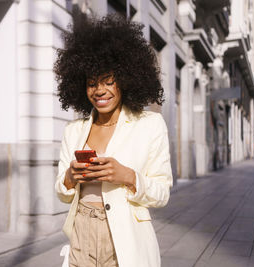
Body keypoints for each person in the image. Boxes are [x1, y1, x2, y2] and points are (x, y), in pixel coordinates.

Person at [54, 13, 173, 267]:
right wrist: (70, 177)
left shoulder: (149, 125)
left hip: (125, 237)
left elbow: (162, 193)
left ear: (126, 79)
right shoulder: (73, 130)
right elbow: (62, 192)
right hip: (81, 233)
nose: (99, 91)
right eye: (92, 83)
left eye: (109, 81)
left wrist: (127, 176)